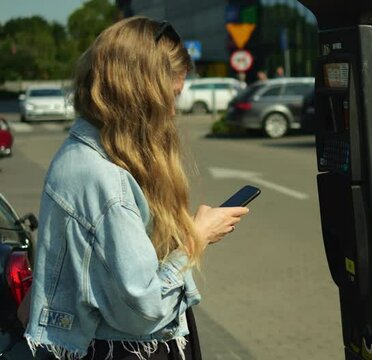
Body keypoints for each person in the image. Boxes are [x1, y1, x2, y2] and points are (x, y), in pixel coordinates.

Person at [21, 17, 249, 360]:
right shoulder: (104, 178)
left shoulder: (90, 153)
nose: (172, 111)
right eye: (168, 97)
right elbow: (143, 308)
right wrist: (196, 238)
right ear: (136, 94)